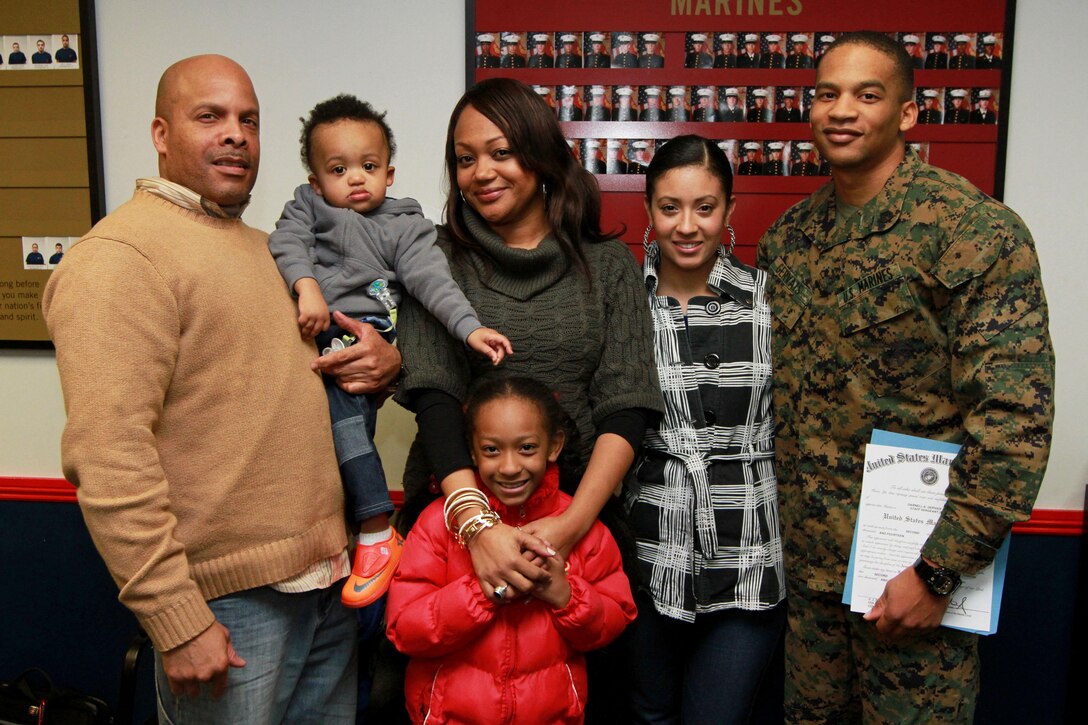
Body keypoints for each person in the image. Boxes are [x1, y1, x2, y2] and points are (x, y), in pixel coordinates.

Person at [42, 54, 372, 724]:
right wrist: (176, 618)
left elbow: (287, 397)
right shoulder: (120, 257)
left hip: (328, 585)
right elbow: (109, 455)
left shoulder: (271, 251)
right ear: (161, 134)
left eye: (248, 119)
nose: (236, 134)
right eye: (210, 116)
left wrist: (379, 363)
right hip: (227, 610)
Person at [758, 32, 1055, 723]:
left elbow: (1014, 426)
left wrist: (936, 574)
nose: (842, 110)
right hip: (810, 593)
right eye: (827, 93)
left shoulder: (972, 232)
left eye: (867, 94)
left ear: (909, 113)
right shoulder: (789, 240)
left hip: (915, 592)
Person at [393, 77, 663, 723]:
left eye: (500, 151)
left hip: (584, 533)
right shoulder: (435, 260)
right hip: (453, 531)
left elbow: (626, 405)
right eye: (464, 158)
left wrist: (571, 529)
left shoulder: (608, 266)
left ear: (540, 155)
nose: (480, 172)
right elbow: (435, 395)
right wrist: (480, 530)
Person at [267, 94, 512, 609]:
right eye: (339, 169)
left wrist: (469, 330)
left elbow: (433, 282)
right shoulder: (307, 209)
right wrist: (306, 285)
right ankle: (351, 529)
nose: (356, 178)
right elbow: (285, 243)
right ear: (316, 181)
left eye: (369, 166)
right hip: (309, 338)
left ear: (390, 173)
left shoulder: (405, 227)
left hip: (365, 333)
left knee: (346, 422)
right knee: (310, 434)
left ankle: (377, 529)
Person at [626, 134, 787, 724]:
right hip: (649, 550)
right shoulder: (625, 303)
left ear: (729, 212)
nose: (687, 226)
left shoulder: (767, 301)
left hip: (748, 549)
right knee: (651, 712)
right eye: (670, 208)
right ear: (649, 211)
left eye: (705, 207)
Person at [387, 377, 637, 724]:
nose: (508, 466)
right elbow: (404, 630)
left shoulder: (583, 528)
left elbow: (612, 623)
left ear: (554, 446)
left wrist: (566, 595)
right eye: (491, 450)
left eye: (526, 448)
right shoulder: (439, 524)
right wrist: (482, 591)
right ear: (471, 452)